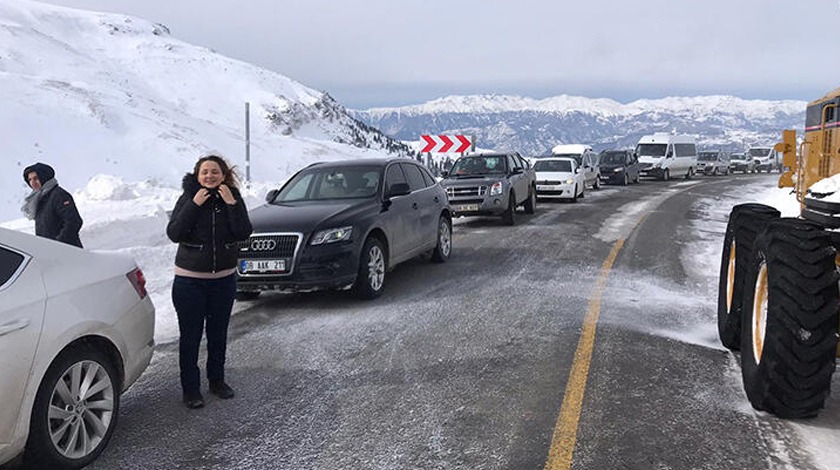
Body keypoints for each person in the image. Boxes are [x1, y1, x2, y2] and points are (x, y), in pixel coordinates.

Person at [166, 154, 253, 409]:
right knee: (190, 337)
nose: (209, 176)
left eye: (214, 172)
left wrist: (232, 204)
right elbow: (174, 233)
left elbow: (243, 233)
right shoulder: (187, 198)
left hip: (223, 281)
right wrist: (193, 204)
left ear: (223, 175)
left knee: (218, 335)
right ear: (197, 175)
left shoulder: (232, 197)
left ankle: (217, 381)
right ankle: (191, 390)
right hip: (189, 282)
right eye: (205, 172)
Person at [21, 162, 84, 248]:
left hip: (67, 251)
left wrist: (57, 244)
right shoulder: (39, 200)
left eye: (36, 178)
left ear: (44, 177)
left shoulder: (58, 195)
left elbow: (74, 222)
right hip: (50, 252)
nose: (32, 183)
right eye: (30, 180)